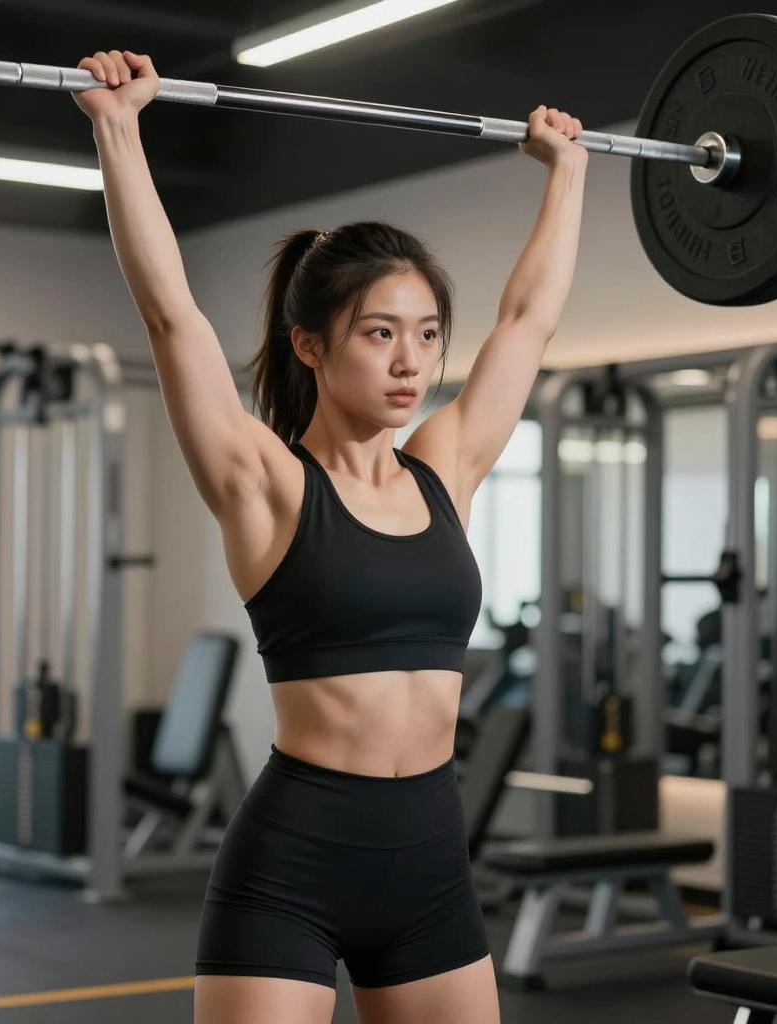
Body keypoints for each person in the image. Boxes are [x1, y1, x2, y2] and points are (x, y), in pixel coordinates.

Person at [74, 48, 585, 1024]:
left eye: (428, 333)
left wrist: (567, 174)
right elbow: (170, 316)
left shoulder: (445, 470)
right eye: (379, 331)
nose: (412, 361)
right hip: (293, 865)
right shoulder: (264, 483)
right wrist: (118, 127)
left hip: (431, 863)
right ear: (311, 345)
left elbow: (527, 321)